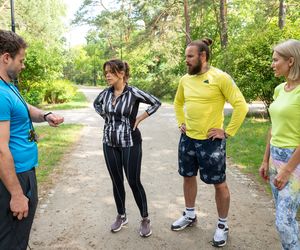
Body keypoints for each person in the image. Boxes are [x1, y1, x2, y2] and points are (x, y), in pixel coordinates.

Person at [171, 38, 248, 247]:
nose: (185, 60)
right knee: (187, 177)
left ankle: (223, 225)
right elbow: (178, 103)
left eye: (190, 56)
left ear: (202, 56)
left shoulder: (220, 77)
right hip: (188, 139)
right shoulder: (185, 80)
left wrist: (227, 132)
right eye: (186, 56)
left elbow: (241, 106)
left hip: (211, 142)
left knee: (219, 183)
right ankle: (189, 215)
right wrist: (181, 122)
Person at [0, 30, 64, 250]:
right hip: (13, 178)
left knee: (20, 235)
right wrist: (17, 194)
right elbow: (0, 149)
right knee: (11, 240)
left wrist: (46, 116)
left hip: (24, 172)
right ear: (6, 57)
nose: (23, 66)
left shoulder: (8, 86)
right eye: (21, 60)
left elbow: (24, 108)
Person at [93, 59, 161, 237]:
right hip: (109, 142)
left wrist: (139, 118)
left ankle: (145, 218)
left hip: (130, 143)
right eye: (105, 72)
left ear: (121, 74)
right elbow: (96, 104)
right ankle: (121, 215)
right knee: (116, 181)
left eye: (110, 72)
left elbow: (156, 103)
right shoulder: (105, 94)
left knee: (133, 181)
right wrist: (107, 118)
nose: (106, 75)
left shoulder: (133, 92)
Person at [259, 39, 300, 250]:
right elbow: (273, 128)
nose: (272, 64)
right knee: (288, 218)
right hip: (275, 158)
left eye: (276, 60)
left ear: (291, 61)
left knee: (283, 222)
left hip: (295, 163)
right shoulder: (279, 89)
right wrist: (265, 160)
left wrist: (287, 170)